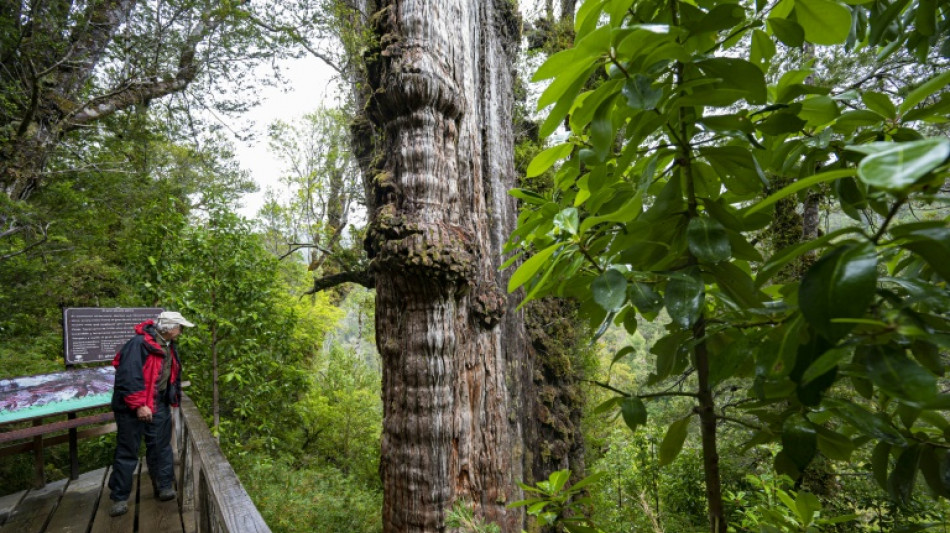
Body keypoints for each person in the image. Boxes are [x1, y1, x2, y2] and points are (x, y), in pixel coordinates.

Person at [107, 311, 193, 517]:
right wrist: (139, 405)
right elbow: (128, 376)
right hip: (132, 406)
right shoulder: (138, 344)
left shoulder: (168, 345)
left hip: (158, 402)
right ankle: (119, 498)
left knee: (161, 446)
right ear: (169, 328)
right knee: (128, 451)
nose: (181, 331)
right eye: (179, 327)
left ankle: (164, 486)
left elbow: (170, 373)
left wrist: (172, 396)